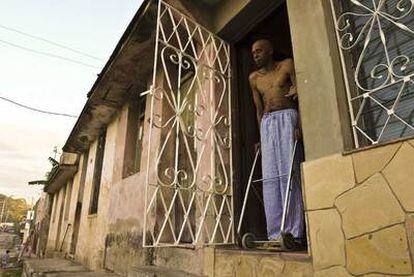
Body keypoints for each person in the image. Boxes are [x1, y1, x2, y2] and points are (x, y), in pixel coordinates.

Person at [249, 39, 304, 240]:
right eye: (253, 52)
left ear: (270, 50)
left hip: (287, 118)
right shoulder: (253, 78)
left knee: (290, 172)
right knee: (271, 177)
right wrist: (261, 137)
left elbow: (300, 94)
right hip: (268, 123)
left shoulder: (287, 65)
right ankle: (275, 234)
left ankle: (294, 232)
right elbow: (258, 110)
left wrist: (300, 125)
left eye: (259, 50)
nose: (255, 55)